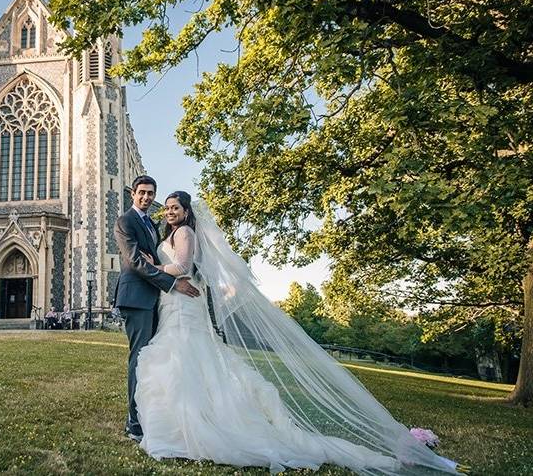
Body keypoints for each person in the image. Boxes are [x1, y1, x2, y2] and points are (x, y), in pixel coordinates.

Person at [133, 191, 464, 475]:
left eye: (176, 206)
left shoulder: (185, 234)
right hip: (174, 303)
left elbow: (184, 267)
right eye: (169, 207)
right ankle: (185, 422)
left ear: (187, 211)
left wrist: (154, 267)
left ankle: (197, 427)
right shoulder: (171, 233)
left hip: (182, 301)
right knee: (188, 361)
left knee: (185, 359)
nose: (170, 210)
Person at [113, 176, 200, 442]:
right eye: (142, 193)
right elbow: (135, 261)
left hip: (155, 299)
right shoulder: (125, 221)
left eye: (151, 193)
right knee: (139, 357)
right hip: (137, 298)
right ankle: (133, 421)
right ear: (133, 194)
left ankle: (151, 413)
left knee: (152, 358)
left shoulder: (152, 223)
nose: (147, 197)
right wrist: (172, 282)